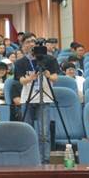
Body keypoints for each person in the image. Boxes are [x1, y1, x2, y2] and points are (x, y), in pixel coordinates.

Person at [14, 33, 59, 164]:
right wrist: (30, 78)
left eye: (33, 41)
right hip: (27, 98)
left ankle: (44, 160)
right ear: (23, 46)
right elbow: (21, 80)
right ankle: (27, 159)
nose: (31, 44)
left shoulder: (49, 59)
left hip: (44, 98)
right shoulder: (20, 62)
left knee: (44, 133)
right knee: (26, 131)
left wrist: (49, 75)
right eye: (27, 42)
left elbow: (55, 78)